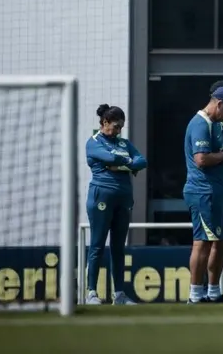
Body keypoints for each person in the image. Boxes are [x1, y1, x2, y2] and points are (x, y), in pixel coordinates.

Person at [84, 104, 147, 305]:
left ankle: (119, 294)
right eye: (116, 126)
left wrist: (119, 163)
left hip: (124, 198)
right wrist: (127, 163)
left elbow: (141, 161)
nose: (118, 130)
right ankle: (91, 292)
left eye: (121, 127)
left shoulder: (123, 143)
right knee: (97, 245)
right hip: (101, 196)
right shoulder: (94, 142)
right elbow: (108, 157)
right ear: (104, 123)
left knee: (119, 247)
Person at [183, 86, 223, 304]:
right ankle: (195, 295)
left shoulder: (218, 124)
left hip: (219, 190)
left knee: (222, 240)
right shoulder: (199, 124)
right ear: (219, 104)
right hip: (203, 191)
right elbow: (201, 160)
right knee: (202, 242)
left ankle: (213, 292)